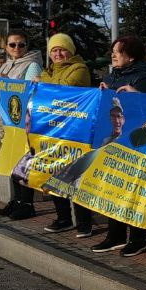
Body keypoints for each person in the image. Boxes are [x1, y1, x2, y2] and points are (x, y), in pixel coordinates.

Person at [91, 35, 146, 257]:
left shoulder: (143, 78)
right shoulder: (112, 76)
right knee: (111, 187)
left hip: (134, 142)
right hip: (114, 140)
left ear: (130, 56)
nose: (113, 55)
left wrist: (136, 95)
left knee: (131, 189)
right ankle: (115, 234)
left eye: (117, 52)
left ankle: (138, 237)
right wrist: (102, 92)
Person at [38, 33, 95, 238]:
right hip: (54, 130)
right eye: (54, 50)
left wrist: (43, 84)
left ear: (71, 51)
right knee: (54, 172)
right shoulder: (48, 71)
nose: (58, 54)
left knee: (77, 175)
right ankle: (63, 218)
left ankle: (84, 223)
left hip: (75, 129)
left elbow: (64, 90)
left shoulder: (79, 68)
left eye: (62, 49)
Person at [0, 31, 44, 221]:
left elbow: (31, 92)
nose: (17, 48)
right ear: (6, 47)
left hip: (24, 120)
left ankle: (27, 203)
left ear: (27, 46)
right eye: (12, 45)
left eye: (21, 45)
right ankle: (15, 200)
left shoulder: (31, 65)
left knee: (24, 163)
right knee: (12, 162)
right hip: (9, 121)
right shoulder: (7, 65)